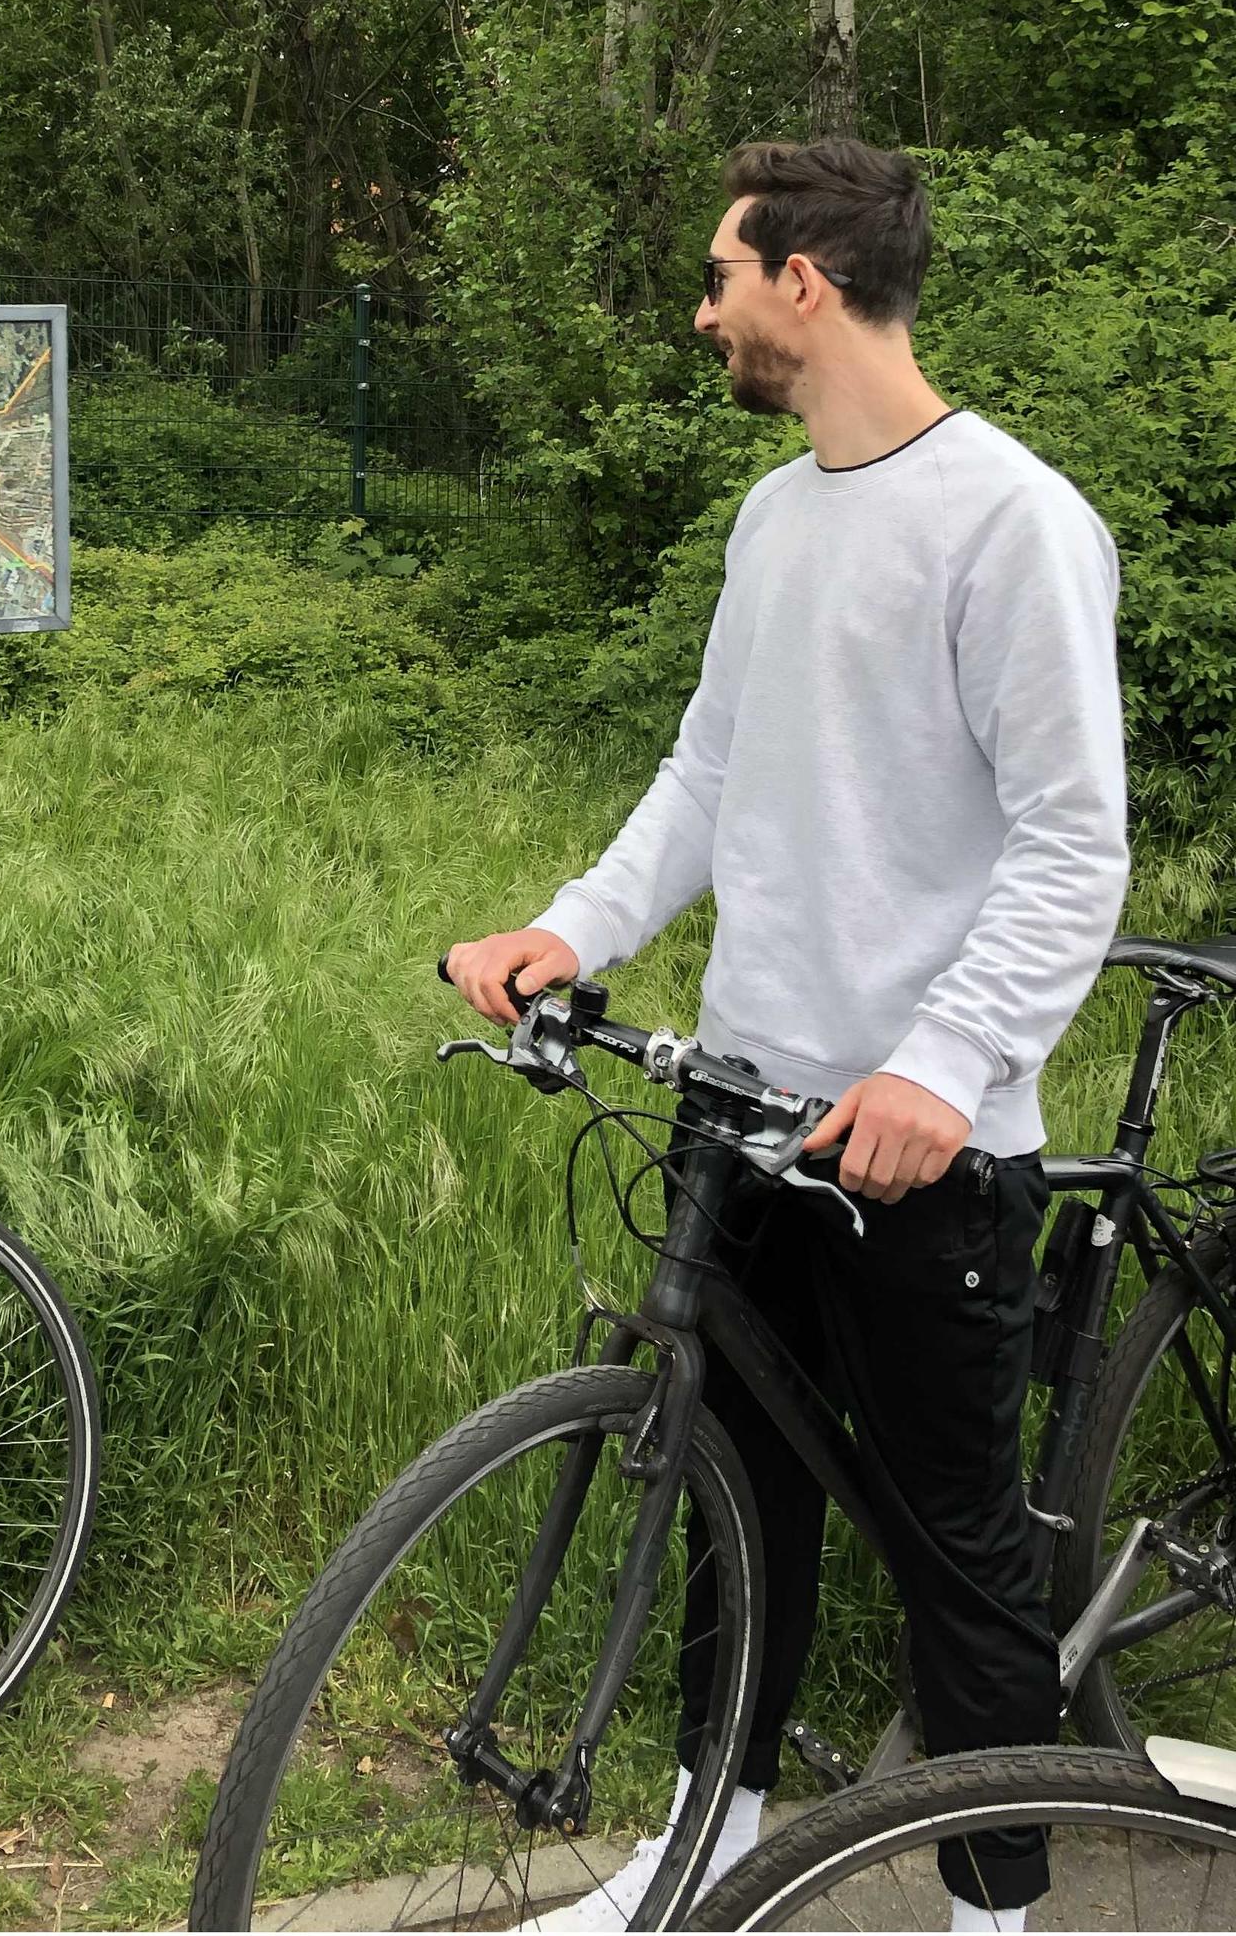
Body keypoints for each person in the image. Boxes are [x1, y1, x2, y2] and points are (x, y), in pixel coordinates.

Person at [445, 138, 1129, 1936]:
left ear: (803, 284)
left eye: (724, 276)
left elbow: (1075, 840)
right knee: (732, 1501)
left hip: (925, 1146)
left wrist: (945, 1066)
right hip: (745, 1106)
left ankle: (1002, 1917)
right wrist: (568, 927)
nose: (708, 309)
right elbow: (709, 778)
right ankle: (710, 1845)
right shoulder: (774, 515)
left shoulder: (1014, 521)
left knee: (960, 1569)